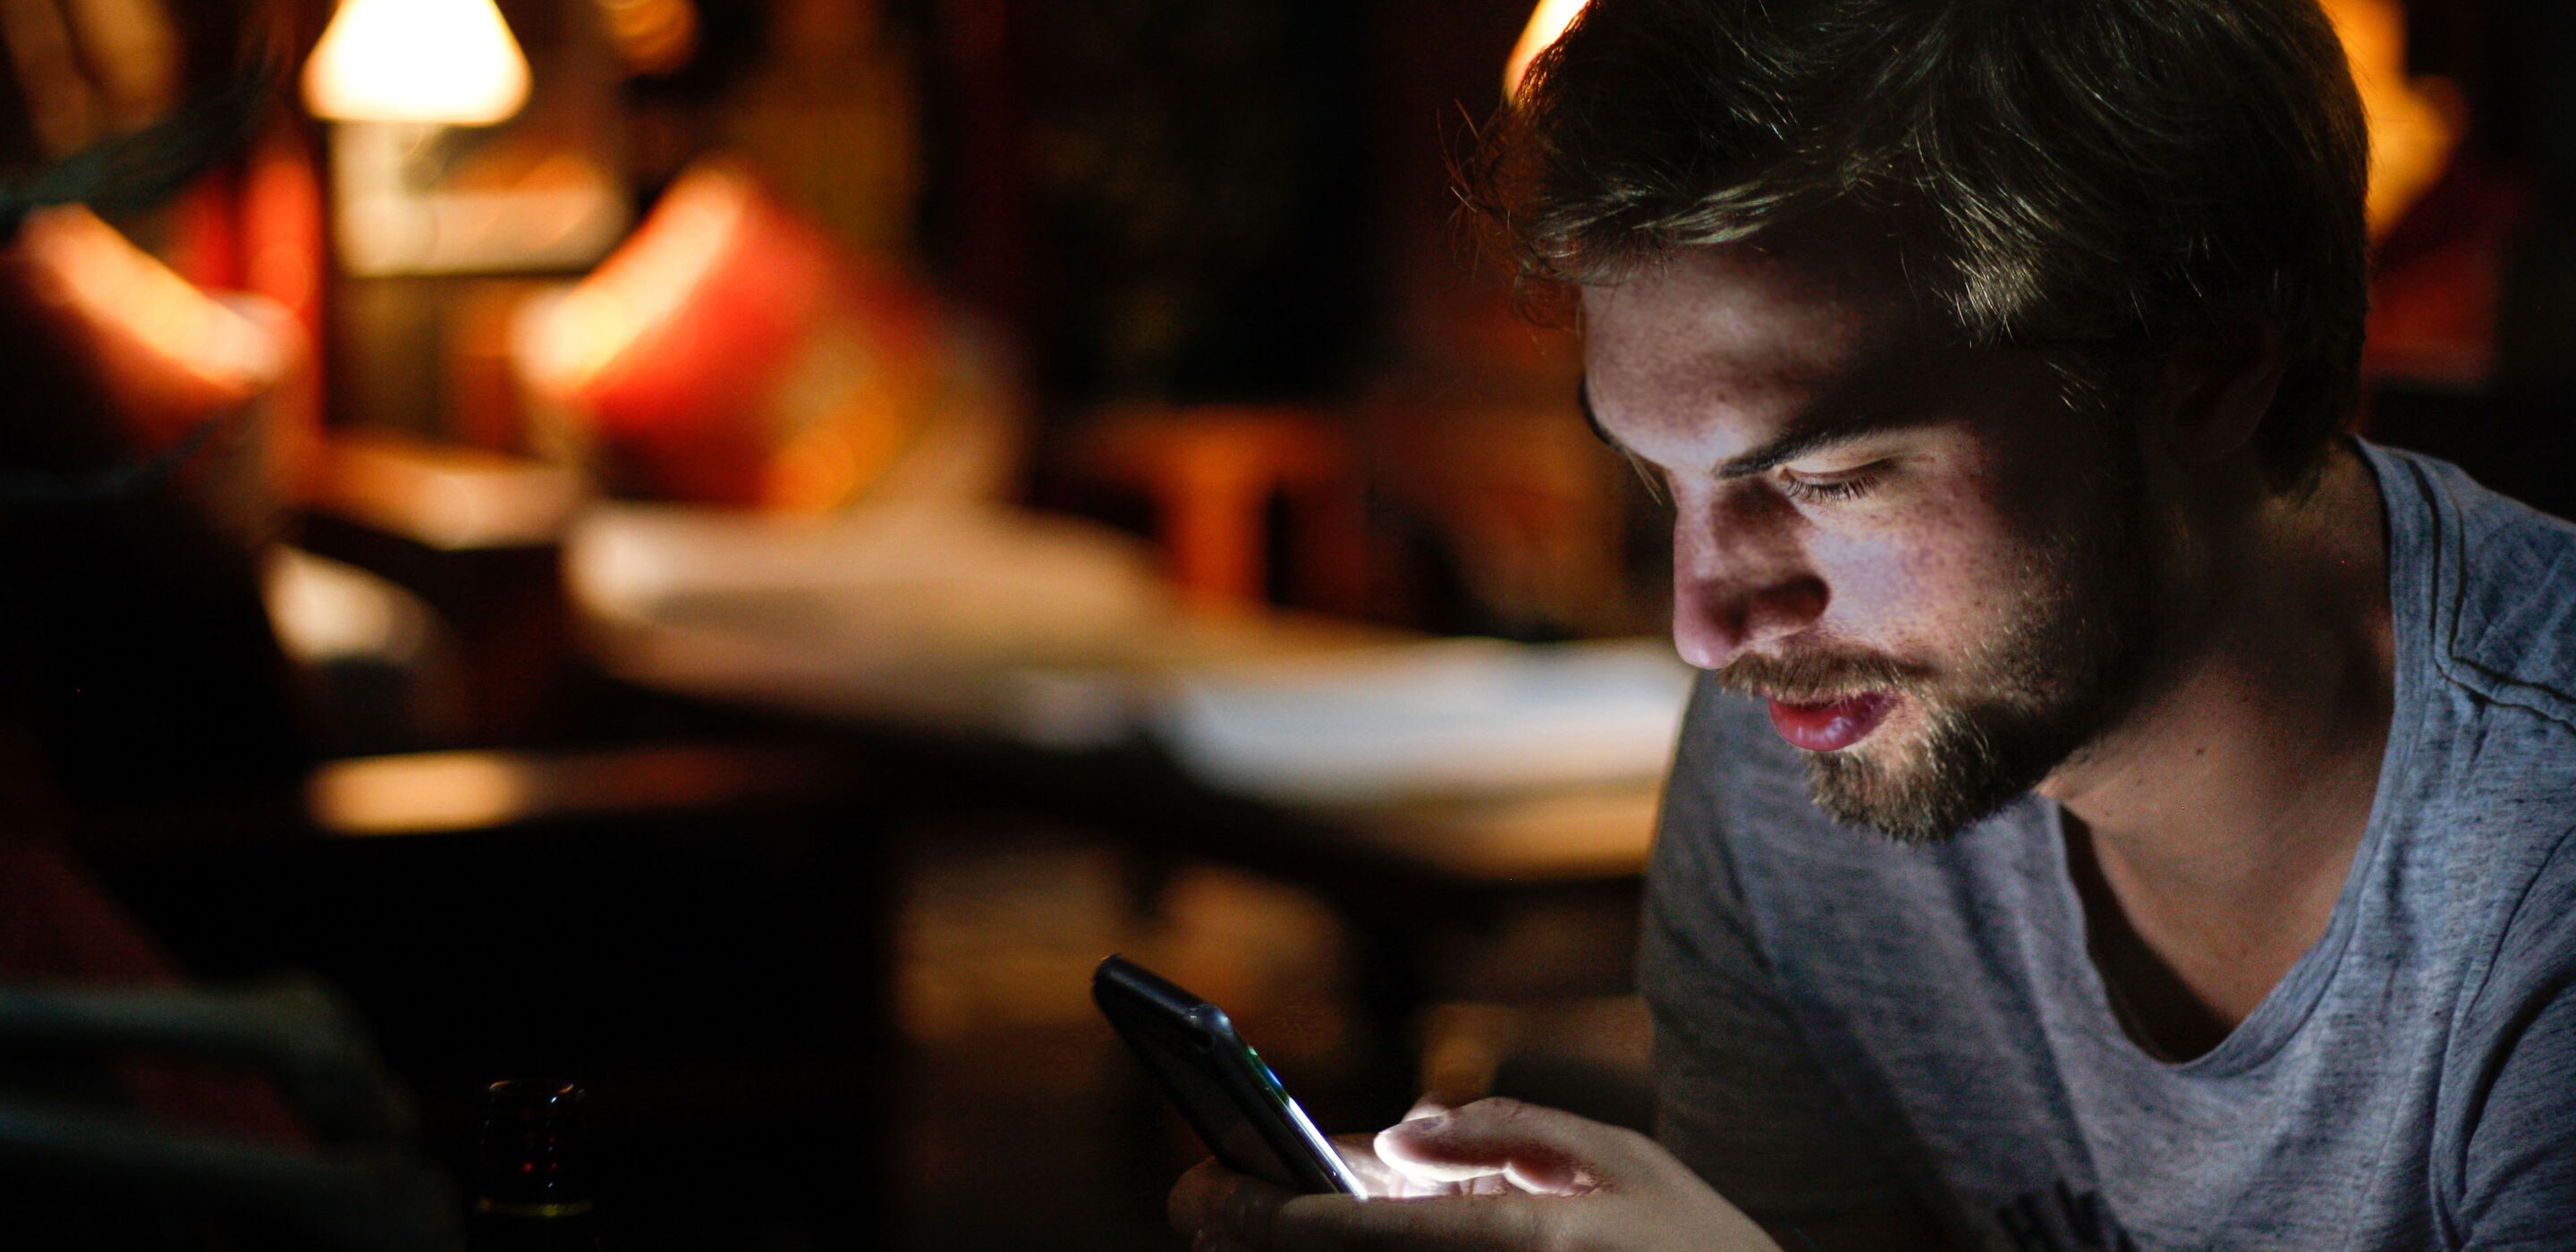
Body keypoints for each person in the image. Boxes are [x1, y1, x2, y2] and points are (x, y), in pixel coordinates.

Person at [1173, 0, 2576, 1248]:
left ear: (2206, 382)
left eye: (1829, 479)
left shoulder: (2536, 848)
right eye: (1664, 485)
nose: (1709, 630)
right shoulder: (1803, 764)